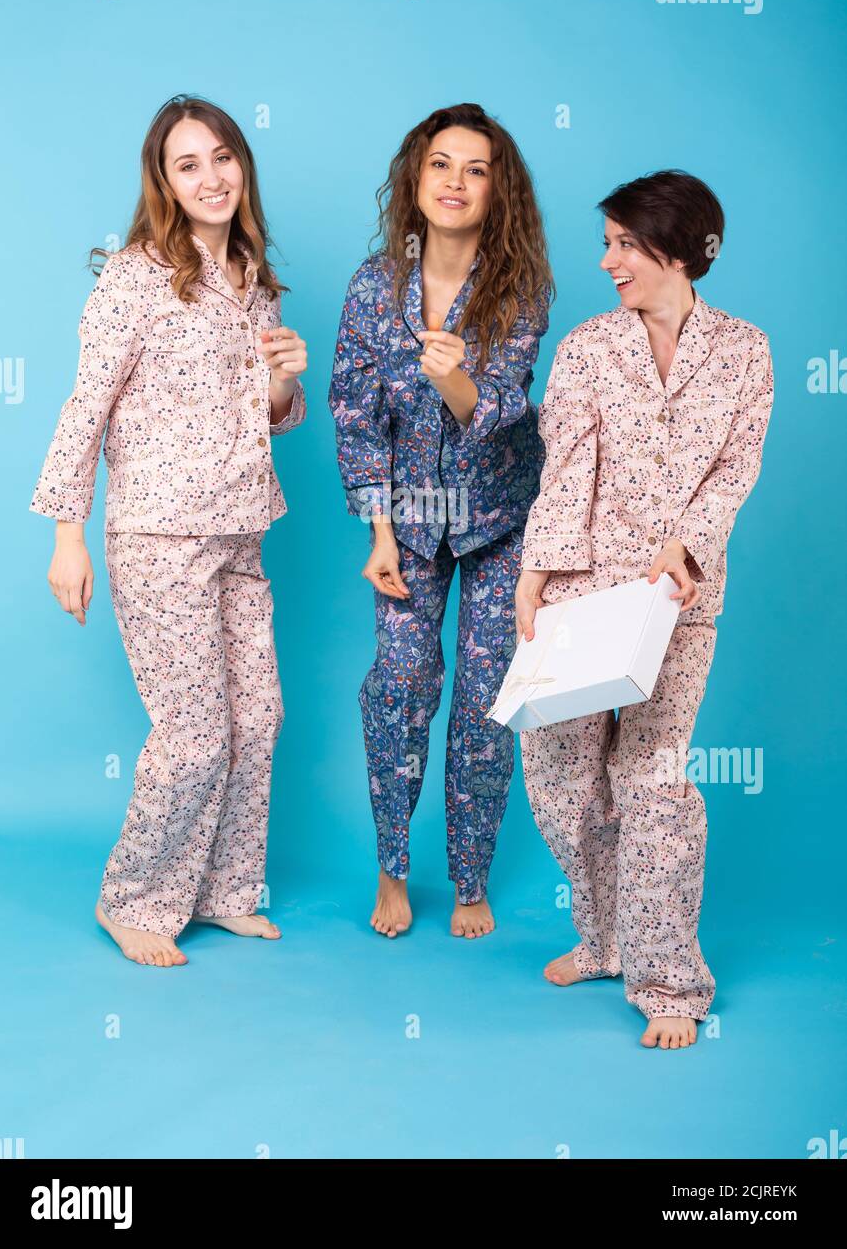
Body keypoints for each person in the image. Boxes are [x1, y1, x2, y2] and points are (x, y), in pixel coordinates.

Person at [29, 94, 307, 967]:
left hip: (239, 530)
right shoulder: (133, 276)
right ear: (164, 181)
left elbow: (262, 416)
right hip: (158, 536)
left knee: (257, 717)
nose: (211, 176)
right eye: (189, 164)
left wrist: (280, 383)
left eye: (222, 157)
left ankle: (224, 892)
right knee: (194, 731)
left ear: (242, 167)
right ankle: (134, 899)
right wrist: (66, 534)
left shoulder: (254, 278)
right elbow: (88, 406)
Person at [515, 169, 773, 1048]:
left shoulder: (747, 352)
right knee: (558, 778)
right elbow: (566, 469)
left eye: (626, 243)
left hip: (678, 598)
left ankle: (669, 981)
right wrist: (537, 574)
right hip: (587, 592)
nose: (608, 260)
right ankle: (605, 936)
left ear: (681, 247)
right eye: (610, 241)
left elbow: (736, 467)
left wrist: (688, 543)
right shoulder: (588, 348)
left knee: (652, 779)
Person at [329, 103, 553, 939]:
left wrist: (454, 375)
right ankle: (393, 868)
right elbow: (355, 414)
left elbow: (502, 415)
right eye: (440, 165)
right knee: (400, 685)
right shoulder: (372, 285)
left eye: (476, 170)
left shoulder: (520, 286)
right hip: (410, 523)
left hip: (500, 521)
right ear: (415, 180)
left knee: (490, 699)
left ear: (499, 192)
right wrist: (380, 533)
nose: (455, 182)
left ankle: (470, 879)